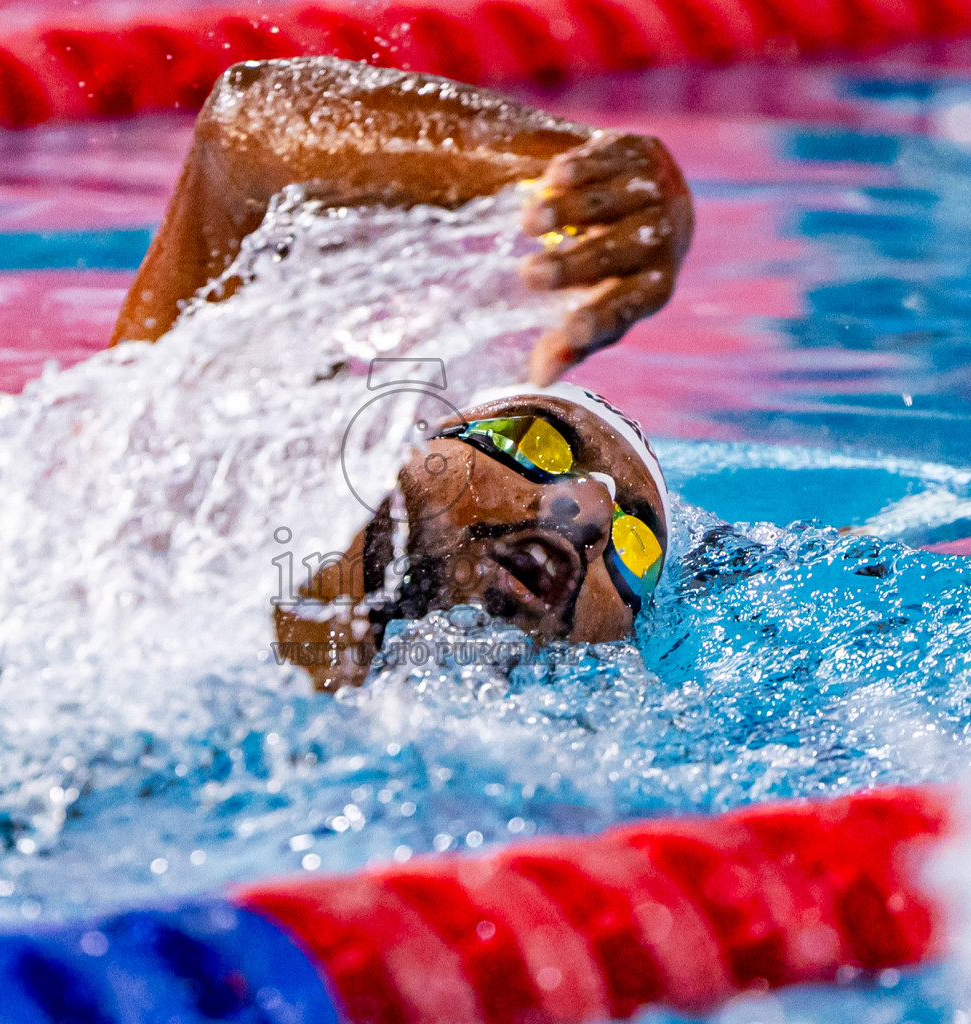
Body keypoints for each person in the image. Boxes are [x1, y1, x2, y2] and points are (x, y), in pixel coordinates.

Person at [115, 56, 695, 689]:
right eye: (538, 442)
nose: (586, 507)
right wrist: (572, 170)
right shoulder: (193, 495)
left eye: (635, 544)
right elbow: (244, 135)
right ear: (415, 447)